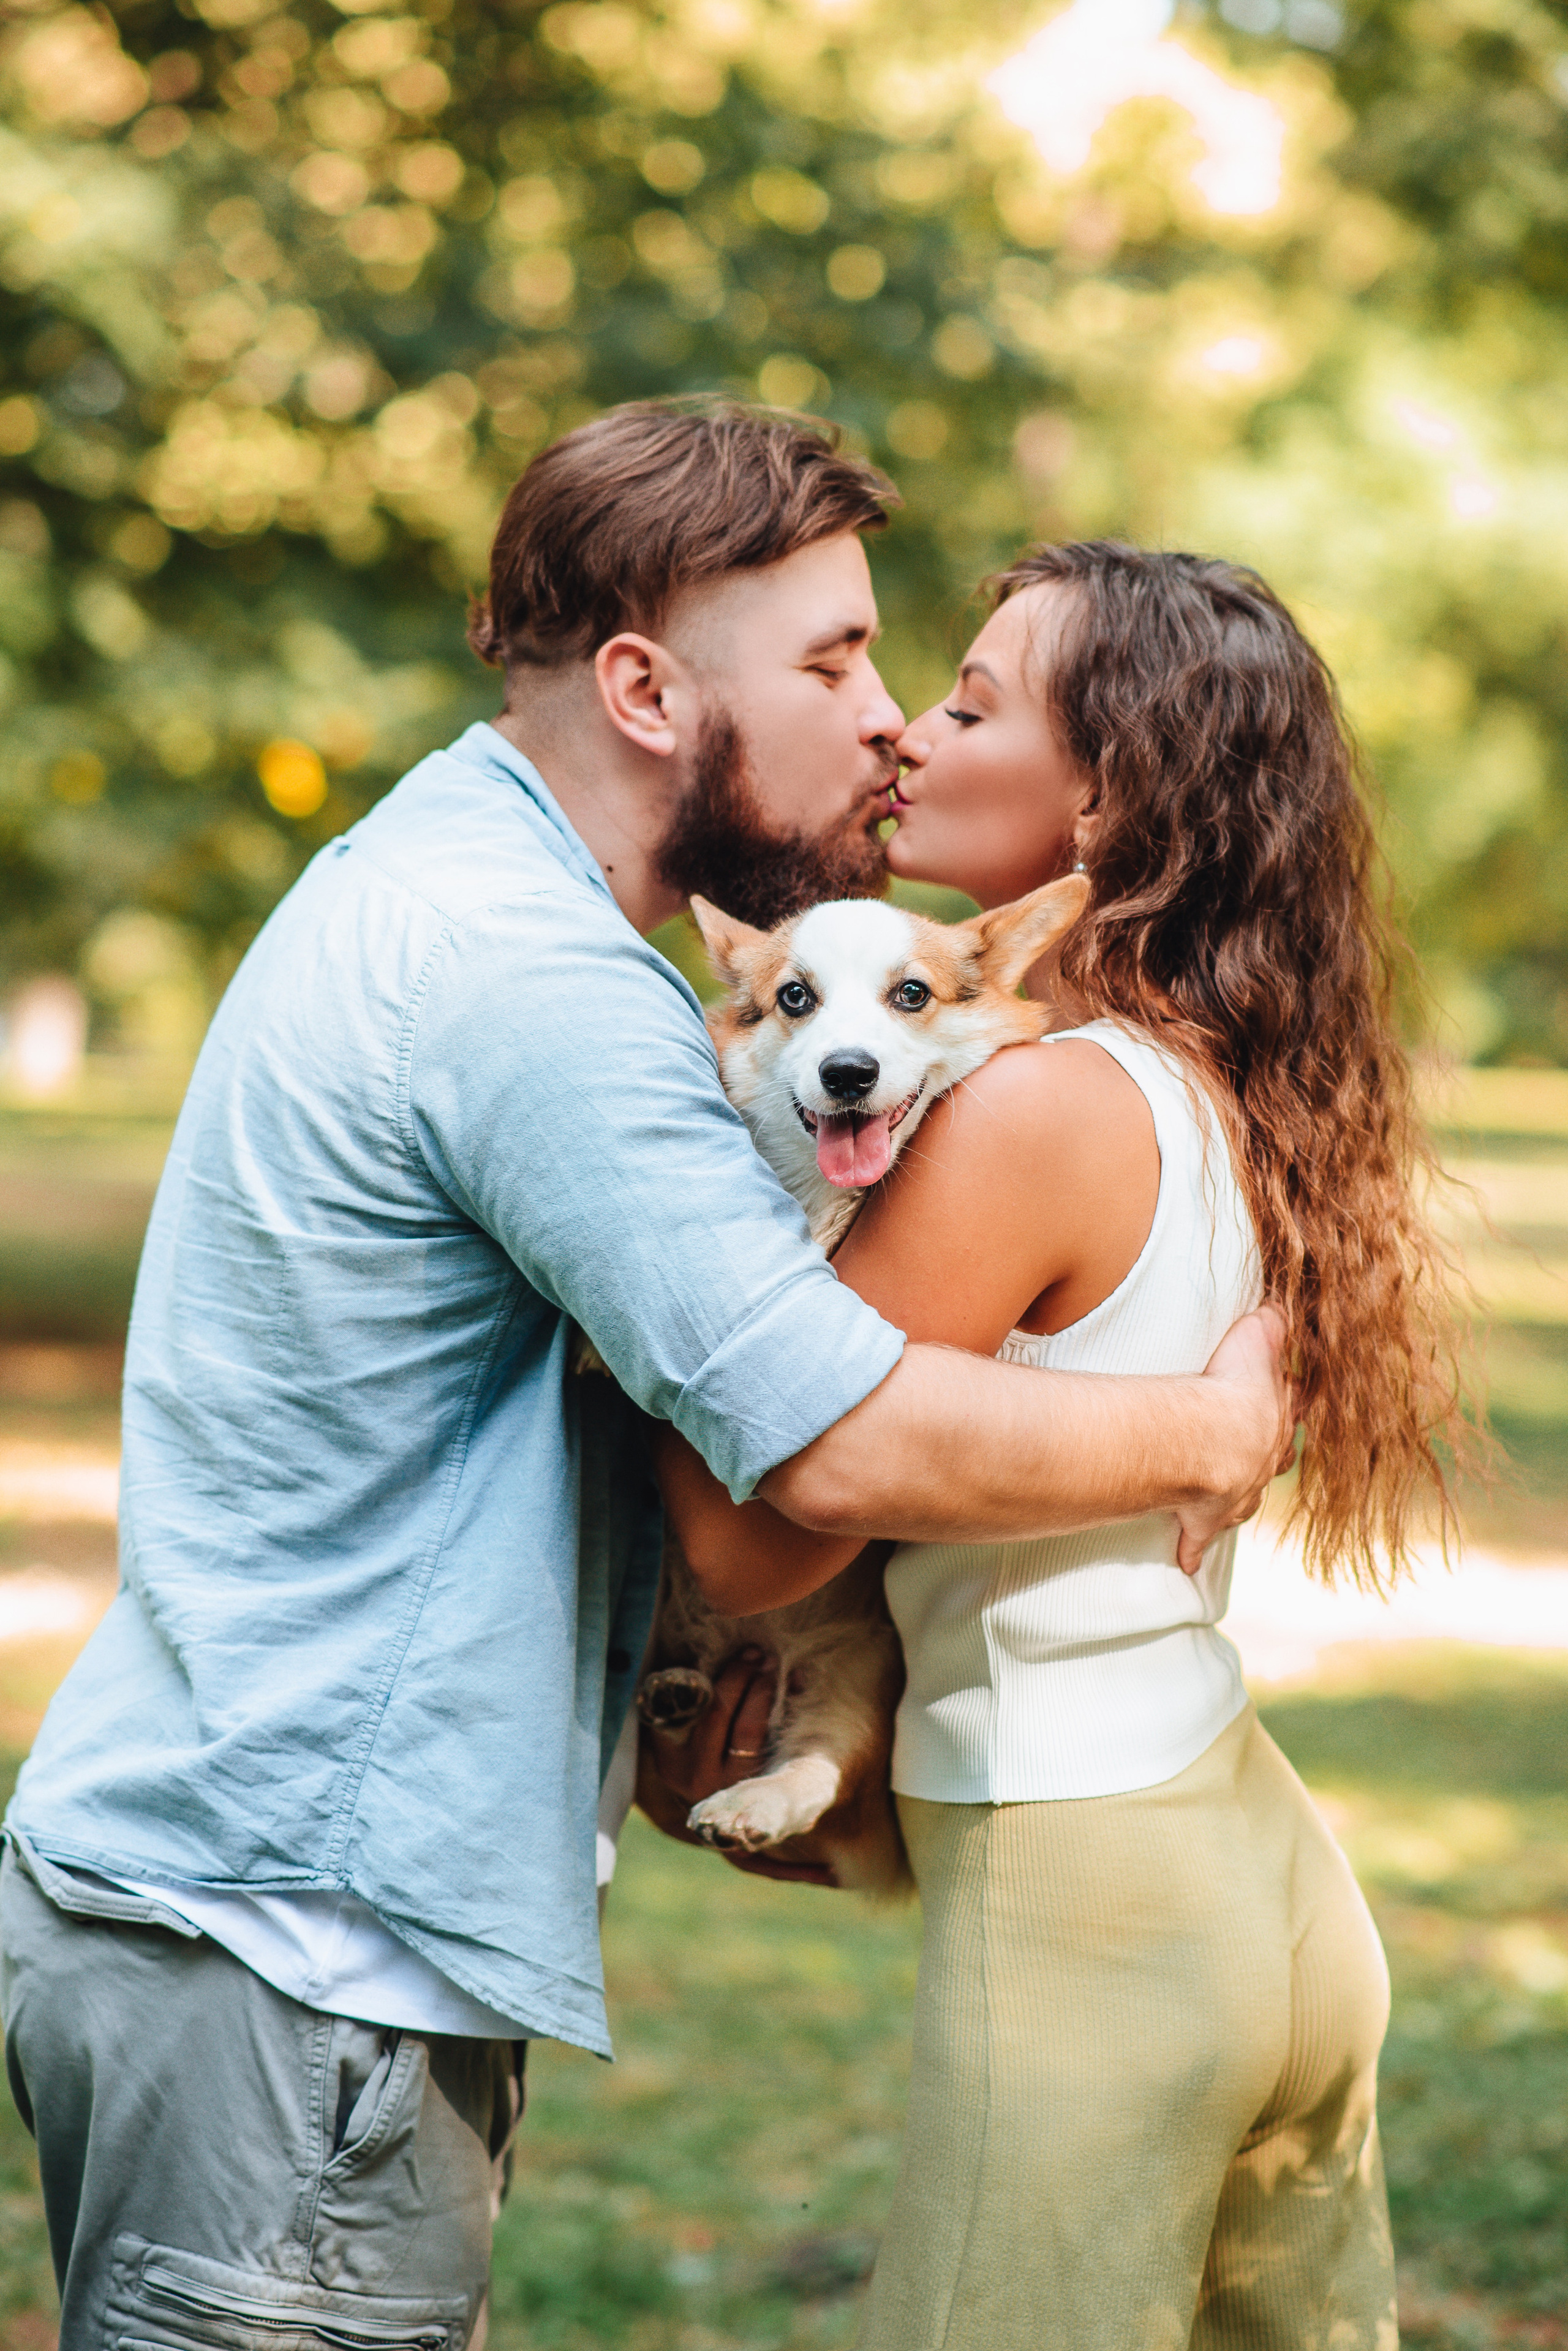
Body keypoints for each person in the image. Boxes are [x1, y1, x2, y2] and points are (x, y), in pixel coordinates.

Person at [0, 410, 1287, 2350]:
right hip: (294, 1958)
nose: (886, 726)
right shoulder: (534, 983)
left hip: (257, 1923)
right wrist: (1216, 1423)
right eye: (839, 663)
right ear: (645, 688)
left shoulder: (447, 872)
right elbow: (835, 1441)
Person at [660, 540, 1466, 2347]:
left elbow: (762, 1537)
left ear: (1109, 786)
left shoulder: (1015, 1108)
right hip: (1254, 1869)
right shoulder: (1206, 1077)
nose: (905, 738)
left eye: (968, 701)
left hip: (1082, 1897)